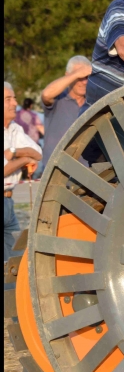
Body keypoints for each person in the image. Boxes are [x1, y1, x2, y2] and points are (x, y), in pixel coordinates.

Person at [4, 82, 42, 262]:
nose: (14, 103)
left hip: (9, 203)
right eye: (8, 99)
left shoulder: (14, 129)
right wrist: (25, 159)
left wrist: (15, 152)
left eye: (14, 98)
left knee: (14, 261)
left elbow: (38, 153)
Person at [40, 56, 92, 167]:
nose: (84, 82)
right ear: (68, 76)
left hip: (86, 174)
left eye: (87, 77)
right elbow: (46, 94)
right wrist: (77, 73)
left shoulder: (93, 103)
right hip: (55, 173)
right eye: (80, 77)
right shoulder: (58, 99)